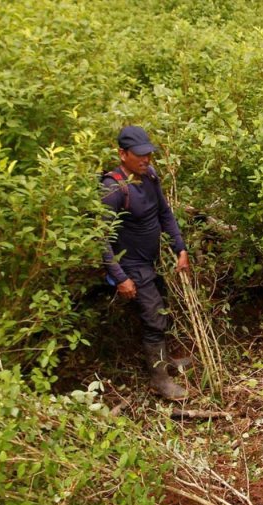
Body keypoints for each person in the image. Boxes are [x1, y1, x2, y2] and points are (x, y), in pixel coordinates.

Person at [101, 125, 191, 400]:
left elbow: (165, 213)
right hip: (132, 266)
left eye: (148, 154)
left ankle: (164, 362)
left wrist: (180, 248)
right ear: (122, 154)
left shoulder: (149, 175)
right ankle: (159, 381)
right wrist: (120, 277)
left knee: (163, 312)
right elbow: (100, 238)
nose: (146, 159)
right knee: (154, 320)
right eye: (139, 155)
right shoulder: (113, 188)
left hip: (152, 261)